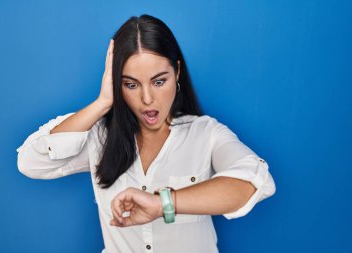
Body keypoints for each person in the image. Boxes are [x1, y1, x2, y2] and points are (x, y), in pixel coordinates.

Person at [16, 14, 276, 253]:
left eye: (159, 81)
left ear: (177, 72)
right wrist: (103, 103)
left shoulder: (206, 132)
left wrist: (163, 204)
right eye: (131, 84)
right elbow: (30, 162)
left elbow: (254, 181)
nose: (147, 98)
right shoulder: (99, 137)